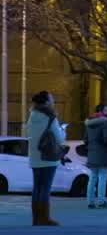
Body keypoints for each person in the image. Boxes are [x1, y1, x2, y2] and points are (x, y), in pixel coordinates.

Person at [26, 90, 67, 226]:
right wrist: (63, 130)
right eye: (51, 99)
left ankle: (36, 218)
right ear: (46, 102)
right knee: (45, 188)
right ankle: (44, 218)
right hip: (48, 157)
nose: (53, 101)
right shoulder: (50, 117)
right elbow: (60, 138)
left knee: (37, 187)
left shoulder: (32, 116)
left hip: (35, 157)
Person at [84, 104, 107, 209]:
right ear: (102, 111)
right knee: (103, 178)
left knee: (92, 178)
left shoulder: (88, 123)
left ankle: (90, 201)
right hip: (103, 153)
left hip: (92, 153)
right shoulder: (105, 122)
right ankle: (101, 200)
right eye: (106, 110)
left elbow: (85, 139)